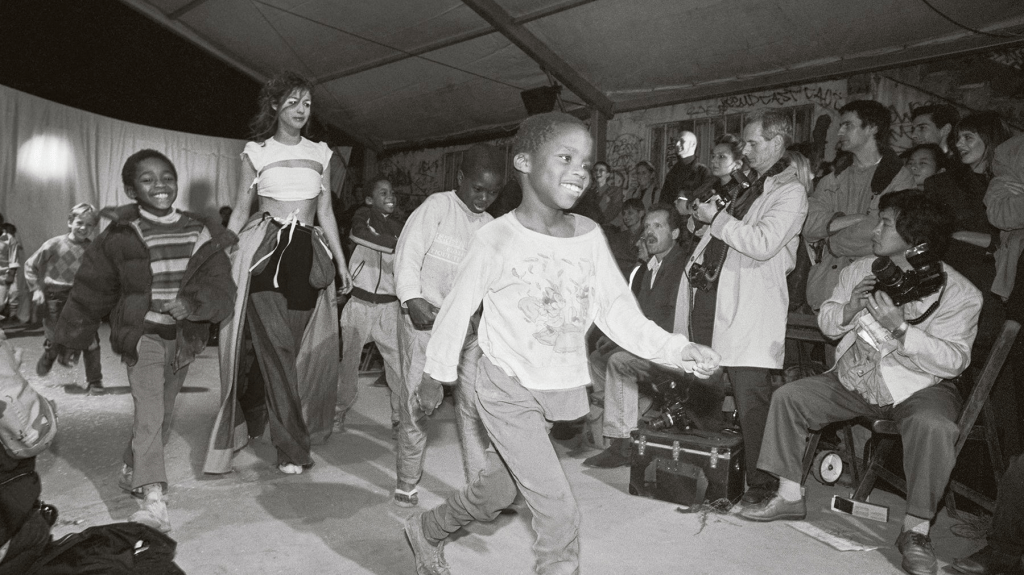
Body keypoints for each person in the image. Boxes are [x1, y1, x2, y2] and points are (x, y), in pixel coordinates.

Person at [401, 111, 720, 575]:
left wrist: (678, 349)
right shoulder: (496, 238)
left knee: (497, 493)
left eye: (586, 164)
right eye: (566, 157)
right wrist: (435, 375)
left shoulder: (590, 237)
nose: (579, 172)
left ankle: (425, 530)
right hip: (506, 386)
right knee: (560, 513)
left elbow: (618, 313)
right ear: (525, 161)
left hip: (554, 385)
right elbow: (456, 309)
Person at [742, 190, 980, 575]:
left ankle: (915, 531)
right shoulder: (863, 269)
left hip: (918, 386)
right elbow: (828, 323)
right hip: (855, 378)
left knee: (935, 425)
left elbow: (955, 361)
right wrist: (849, 309)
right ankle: (789, 495)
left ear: (915, 238)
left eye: (885, 222)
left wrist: (901, 330)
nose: (875, 229)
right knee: (790, 396)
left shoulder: (961, 293)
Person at [54, 149, 236, 533]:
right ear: (130, 189)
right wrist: (69, 337)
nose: (160, 185)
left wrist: (193, 304)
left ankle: (131, 467)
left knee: (164, 417)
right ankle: (154, 500)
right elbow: (90, 289)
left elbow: (223, 288)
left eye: (167, 177)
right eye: (148, 179)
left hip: (184, 340)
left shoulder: (198, 230)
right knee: (150, 414)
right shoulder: (122, 235)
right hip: (143, 338)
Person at [204, 71, 352, 476]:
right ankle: (291, 448)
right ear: (275, 107)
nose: (301, 110)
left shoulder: (321, 152)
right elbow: (240, 208)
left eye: (306, 103)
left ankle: (259, 413)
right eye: (292, 103)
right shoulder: (256, 151)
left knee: (294, 351)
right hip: (264, 253)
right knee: (277, 348)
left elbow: (325, 213)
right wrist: (220, 257)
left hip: (307, 256)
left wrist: (340, 263)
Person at [685, 110, 809, 505]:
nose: (747, 150)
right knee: (703, 378)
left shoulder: (791, 191)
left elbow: (762, 242)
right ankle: (710, 469)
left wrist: (717, 218)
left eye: (754, 143)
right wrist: (700, 216)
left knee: (750, 395)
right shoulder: (748, 184)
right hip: (714, 291)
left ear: (777, 142)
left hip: (752, 300)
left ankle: (762, 483)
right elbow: (712, 230)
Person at [393, 144, 504, 508]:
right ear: (460, 179)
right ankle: (408, 481)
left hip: (467, 329)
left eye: (492, 193)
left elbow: (490, 282)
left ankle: (480, 487)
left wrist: (480, 318)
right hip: (425, 320)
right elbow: (407, 254)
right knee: (418, 403)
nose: (484, 198)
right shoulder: (437, 208)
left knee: (474, 405)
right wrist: (412, 298)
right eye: (478, 189)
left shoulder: (489, 227)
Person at [582, 204, 711, 468]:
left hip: (673, 354)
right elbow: (637, 316)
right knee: (595, 358)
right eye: (647, 226)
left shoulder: (683, 266)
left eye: (658, 226)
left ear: (675, 233)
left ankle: (622, 444)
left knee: (619, 363)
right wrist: (618, 338)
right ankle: (627, 417)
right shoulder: (647, 268)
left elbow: (669, 321)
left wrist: (629, 345)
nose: (649, 233)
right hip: (647, 348)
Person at [804, 99, 916, 309]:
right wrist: (859, 219)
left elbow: (889, 234)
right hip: (828, 292)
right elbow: (808, 224)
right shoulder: (833, 178)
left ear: (872, 128)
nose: (840, 132)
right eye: (840, 126)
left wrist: (831, 237)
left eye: (848, 125)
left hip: (874, 295)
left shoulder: (899, 178)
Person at [925, 112, 1010, 361]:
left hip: (1000, 286)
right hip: (957, 282)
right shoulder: (942, 185)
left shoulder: (1011, 184)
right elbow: (933, 234)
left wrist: (977, 238)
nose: (960, 144)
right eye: (958, 138)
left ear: (990, 139)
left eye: (968, 137)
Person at [335, 176, 404, 435]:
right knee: (348, 364)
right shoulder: (363, 216)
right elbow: (359, 235)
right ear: (369, 199)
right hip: (360, 305)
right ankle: (338, 411)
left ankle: (399, 416)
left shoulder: (400, 225)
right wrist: (398, 246)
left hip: (389, 308)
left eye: (392, 191)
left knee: (397, 365)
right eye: (383, 192)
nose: (390, 196)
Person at [25, 203, 103, 394]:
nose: (84, 228)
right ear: (70, 222)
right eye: (79, 223)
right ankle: (51, 353)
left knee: (91, 340)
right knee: (56, 337)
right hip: (56, 296)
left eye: (89, 225)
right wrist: (36, 289)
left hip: (82, 299)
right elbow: (29, 265)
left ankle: (95, 381)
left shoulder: (94, 249)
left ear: (94, 227)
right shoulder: (54, 244)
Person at [661, 130, 715, 210]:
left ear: (693, 144)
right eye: (676, 141)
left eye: (682, 141)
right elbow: (664, 201)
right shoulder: (672, 173)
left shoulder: (703, 172)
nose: (677, 144)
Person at [608, 198, 646, 276]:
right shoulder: (619, 237)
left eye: (630, 213)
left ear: (641, 213)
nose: (625, 217)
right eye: (624, 213)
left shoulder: (646, 236)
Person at [0, 219, 19, 325]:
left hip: (4, 274)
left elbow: (13, 259)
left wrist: (11, 274)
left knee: (1, 303)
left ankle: (12, 314)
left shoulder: (9, 239)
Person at [592, 161, 623, 227]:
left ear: (608, 174)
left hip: (609, 228)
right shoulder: (589, 192)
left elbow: (613, 211)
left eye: (601, 170)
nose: (598, 172)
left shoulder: (615, 191)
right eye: (596, 170)